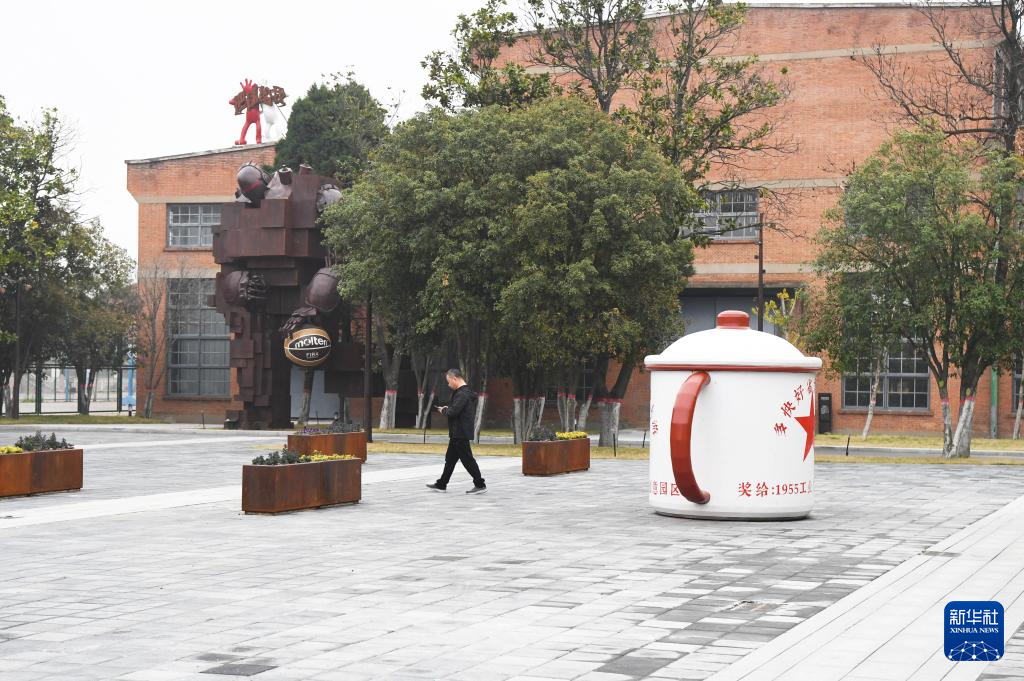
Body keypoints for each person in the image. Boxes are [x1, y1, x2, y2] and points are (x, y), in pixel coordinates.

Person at [426, 369, 487, 494]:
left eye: (449, 382)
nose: (448, 385)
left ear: (455, 379)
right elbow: (458, 409)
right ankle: (442, 484)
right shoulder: (464, 393)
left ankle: (480, 485)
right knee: (450, 459)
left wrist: (444, 410)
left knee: (467, 460)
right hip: (457, 433)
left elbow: (453, 412)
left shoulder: (462, 394)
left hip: (460, 433)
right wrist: (448, 408)